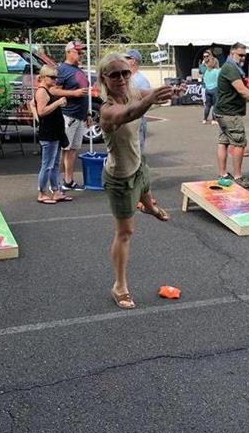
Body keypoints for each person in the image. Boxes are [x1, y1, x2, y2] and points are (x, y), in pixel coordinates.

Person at [98, 53, 175, 310]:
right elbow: (130, 113)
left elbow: (146, 94)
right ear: (104, 79)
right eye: (114, 74)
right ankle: (119, 285)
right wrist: (151, 99)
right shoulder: (107, 110)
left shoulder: (132, 91)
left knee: (145, 186)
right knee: (125, 232)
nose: (120, 78)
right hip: (120, 178)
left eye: (124, 73)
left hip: (138, 166)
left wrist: (170, 90)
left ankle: (149, 206)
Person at [213, 42, 249, 188]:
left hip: (222, 111)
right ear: (232, 53)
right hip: (230, 113)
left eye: (245, 56)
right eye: (240, 55)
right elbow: (241, 89)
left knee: (223, 142)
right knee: (239, 143)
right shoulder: (231, 68)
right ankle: (238, 176)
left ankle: (223, 173)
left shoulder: (230, 67)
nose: (243, 58)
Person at [50, 40, 92, 191]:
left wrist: (87, 113)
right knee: (64, 149)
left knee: (72, 149)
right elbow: (54, 90)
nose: (81, 55)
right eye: (78, 52)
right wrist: (72, 93)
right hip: (68, 115)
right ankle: (55, 183)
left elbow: (84, 93)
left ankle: (68, 181)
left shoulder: (78, 70)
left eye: (81, 52)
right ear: (68, 52)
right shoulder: (62, 69)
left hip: (79, 116)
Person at [34, 65, 71, 204]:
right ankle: (42, 192)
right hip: (48, 134)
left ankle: (55, 191)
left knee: (55, 164)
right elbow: (42, 111)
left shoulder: (47, 91)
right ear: (43, 78)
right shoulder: (41, 91)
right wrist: (58, 103)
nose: (55, 80)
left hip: (55, 133)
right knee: (47, 164)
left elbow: (34, 106)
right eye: (52, 77)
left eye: (56, 77)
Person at [124, 49, 151, 153]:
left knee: (137, 151)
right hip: (126, 119)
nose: (123, 60)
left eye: (126, 58)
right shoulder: (126, 78)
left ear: (133, 61)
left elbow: (147, 101)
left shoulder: (141, 80)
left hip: (137, 120)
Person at [202, 51, 220, 124]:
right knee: (215, 105)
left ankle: (204, 119)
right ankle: (214, 120)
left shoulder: (207, 71)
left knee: (207, 105)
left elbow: (204, 80)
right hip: (215, 89)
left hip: (207, 89)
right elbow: (219, 80)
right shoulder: (217, 71)